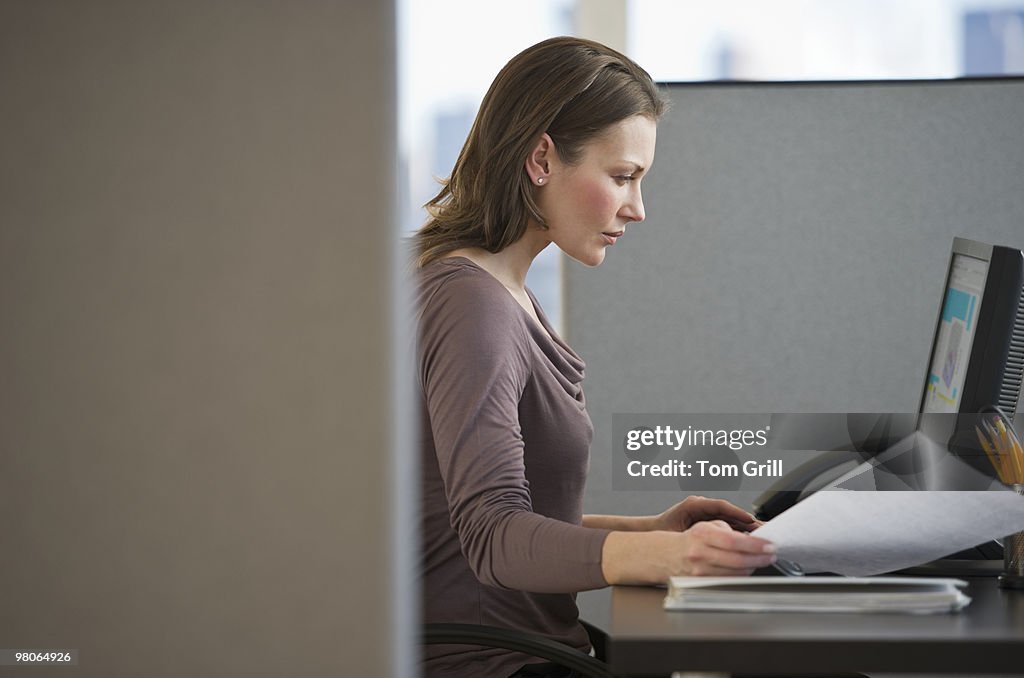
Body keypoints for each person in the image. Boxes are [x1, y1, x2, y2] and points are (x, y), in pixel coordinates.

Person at [413, 37, 777, 678]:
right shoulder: (472, 304)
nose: (637, 209)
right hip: (491, 664)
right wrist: (669, 558)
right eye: (623, 177)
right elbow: (492, 536)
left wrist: (654, 533)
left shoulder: (498, 289)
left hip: (529, 651)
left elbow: (471, 514)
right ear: (540, 159)